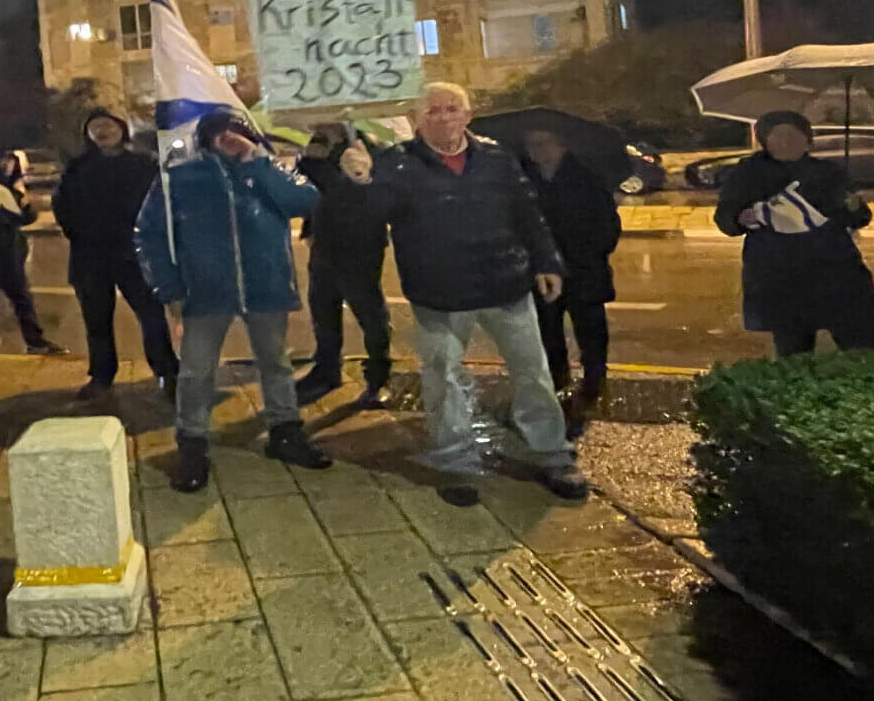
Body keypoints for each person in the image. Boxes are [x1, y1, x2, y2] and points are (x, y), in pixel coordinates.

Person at [341, 84, 590, 505]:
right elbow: (367, 219)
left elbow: (526, 211)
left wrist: (547, 262)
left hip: (505, 284)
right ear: (418, 119)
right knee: (443, 380)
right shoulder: (395, 164)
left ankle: (553, 455)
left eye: (451, 109)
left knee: (533, 374)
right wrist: (361, 182)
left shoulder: (495, 157)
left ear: (468, 114)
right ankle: (454, 460)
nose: (443, 117)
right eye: (432, 111)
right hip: (438, 293)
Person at [137, 111, 329, 491]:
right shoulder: (178, 178)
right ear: (204, 139)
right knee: (195, 371)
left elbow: (304, 199)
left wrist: (258, 160)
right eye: (218, 134)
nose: (228, 138)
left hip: (265, 286)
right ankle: (192, 444)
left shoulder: (264, 170)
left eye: (235, 132)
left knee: (275, 362)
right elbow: (151, 234)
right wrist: (170, 289)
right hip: (204, 290)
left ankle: (285, 432)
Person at [713, 110, 874, 356]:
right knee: (794, 353)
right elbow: (725, 219)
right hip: (781, 276)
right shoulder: (747, 175)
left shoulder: (830, 172)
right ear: (765, 141)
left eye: (793, 135)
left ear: (808, 140)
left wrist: (854, 206)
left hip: (837, 273)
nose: (786, 141)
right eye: (777, 135)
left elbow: (859, 218)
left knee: (866, 347)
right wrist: (743, 218)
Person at [53, 109, 178, 399]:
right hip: (90, 256)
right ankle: (101, 375)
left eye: (107, 125)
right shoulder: (77, 168)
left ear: (122, 129)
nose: (102, 131)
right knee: (96, 319)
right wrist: (80, 233)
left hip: (134, 253)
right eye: (95, 126)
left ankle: (166, 371)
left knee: (151, 315)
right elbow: (62, 205)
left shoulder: (142, 165)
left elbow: (159, 205)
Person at [521, 128, 622, 439]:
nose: (539, 149)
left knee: (591, 328)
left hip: (584, 268)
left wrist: (590, 252)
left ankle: (594, 380)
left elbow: (608, 224)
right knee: (547, 329)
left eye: (545, 142)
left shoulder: (586, 178)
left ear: (562, 144)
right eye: (532, 144)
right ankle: (557, 380)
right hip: (541, 271)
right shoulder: (522, 181)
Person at [291, 123, 393, 409]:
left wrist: (356, 169)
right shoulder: (316, 147)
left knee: (369, 313)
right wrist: (308, 161)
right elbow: (311, 192)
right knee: (323, 309)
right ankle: (326, 369)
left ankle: (379, 377)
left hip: (360, 244)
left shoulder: (369, 146)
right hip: (324, 242)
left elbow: (377, 195)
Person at [0, 149, 64, 356]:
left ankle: (35, 341)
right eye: (1, 160)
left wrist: (24, 203)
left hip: (10, 251)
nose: (7, 165)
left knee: (9, 299)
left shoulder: (11, 189)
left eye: (10, 161)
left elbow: (26, 219)